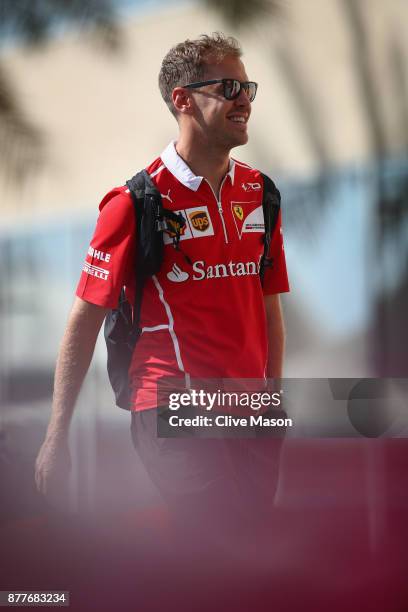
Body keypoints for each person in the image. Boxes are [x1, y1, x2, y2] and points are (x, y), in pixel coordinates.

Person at [35, 33, 290, 537]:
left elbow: (268, 306)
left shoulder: (261, 192)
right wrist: (56, 435)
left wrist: (272, 402)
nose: (245, 100)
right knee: (222, 547)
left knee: (253, 557)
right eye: (229, 87)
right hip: (171, 406)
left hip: (249, 412)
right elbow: (83, 321)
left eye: (248, 88)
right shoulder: (133, 201)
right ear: (184, 100)